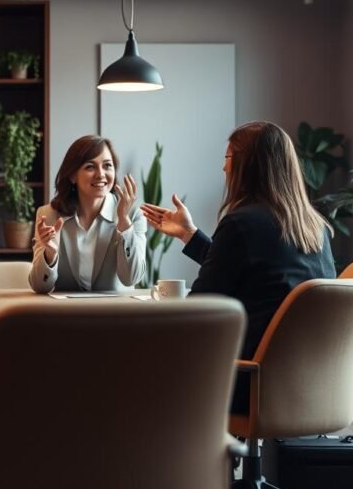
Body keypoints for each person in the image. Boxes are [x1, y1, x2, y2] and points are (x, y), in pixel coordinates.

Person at [141, 121, 335, 412]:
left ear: (248, 165)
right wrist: (188, 234)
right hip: (312, 383)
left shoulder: (241, 223)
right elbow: (253, 273)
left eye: (228, 158)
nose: (223, 168)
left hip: (248, 382)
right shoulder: (314, 227)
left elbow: (201, 307)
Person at [29, 134, 146, 293]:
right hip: (66, 315)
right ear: (72, 175)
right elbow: (39, 287)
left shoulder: (132, 214)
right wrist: (50, 254)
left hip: (116, 314)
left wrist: (124, 223)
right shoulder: (49, 214)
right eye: (90, 167)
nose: (101, 174)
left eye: (107, 166)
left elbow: (131, 278)